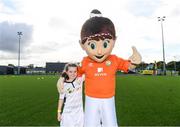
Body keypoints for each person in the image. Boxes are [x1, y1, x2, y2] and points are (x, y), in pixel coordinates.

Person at [78, 9, 142, 127]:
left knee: (110, 123)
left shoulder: (114, 59)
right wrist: (62, 79)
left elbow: (128, 65)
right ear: (82, 45)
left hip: (108, 98)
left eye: (105, 44)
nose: (99, 51)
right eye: (92, 45)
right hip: (91, 98)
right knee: (90, 124)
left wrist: (135, 62)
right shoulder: (85, 61)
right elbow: (73, 73)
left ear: (114, 41)